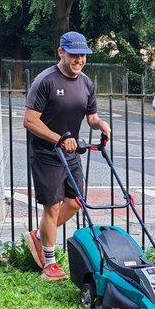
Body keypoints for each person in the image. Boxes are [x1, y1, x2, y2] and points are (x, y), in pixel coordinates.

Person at [22, 31, 111, 281]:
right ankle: (50, 262)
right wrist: (58, 139)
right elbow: (30, 120)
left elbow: (91, 118)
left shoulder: (86, 83)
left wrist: (101, 124)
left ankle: (39, 236)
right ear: (61, 52)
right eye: (74, 55)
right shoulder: (46, 81)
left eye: (83, 55)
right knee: (52, 207)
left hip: (70, 152)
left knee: (75, 202)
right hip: (47, 153)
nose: (79, 60)